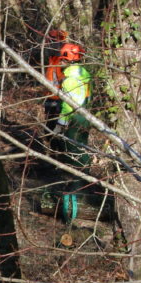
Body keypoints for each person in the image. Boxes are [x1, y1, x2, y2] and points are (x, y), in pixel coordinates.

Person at [50, 44, 92, 223]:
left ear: (67, 59)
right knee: (81, 149)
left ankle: (74, 191)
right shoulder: (84, 75)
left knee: (72, 153)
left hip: (74, 119)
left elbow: (68, 105)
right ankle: (83, 184)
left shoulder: (69, 80)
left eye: (63, 59)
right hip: (85, 117)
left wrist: (60, 124)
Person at [42, 29, 71, 132]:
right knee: (50, 120)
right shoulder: (54, 56)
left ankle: (52, 140)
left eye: (52, 38)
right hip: (51, 92)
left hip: (57, 94)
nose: (48, 42)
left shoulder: (59, 52)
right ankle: (49, 138)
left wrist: (55, 40)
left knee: (53, 122)